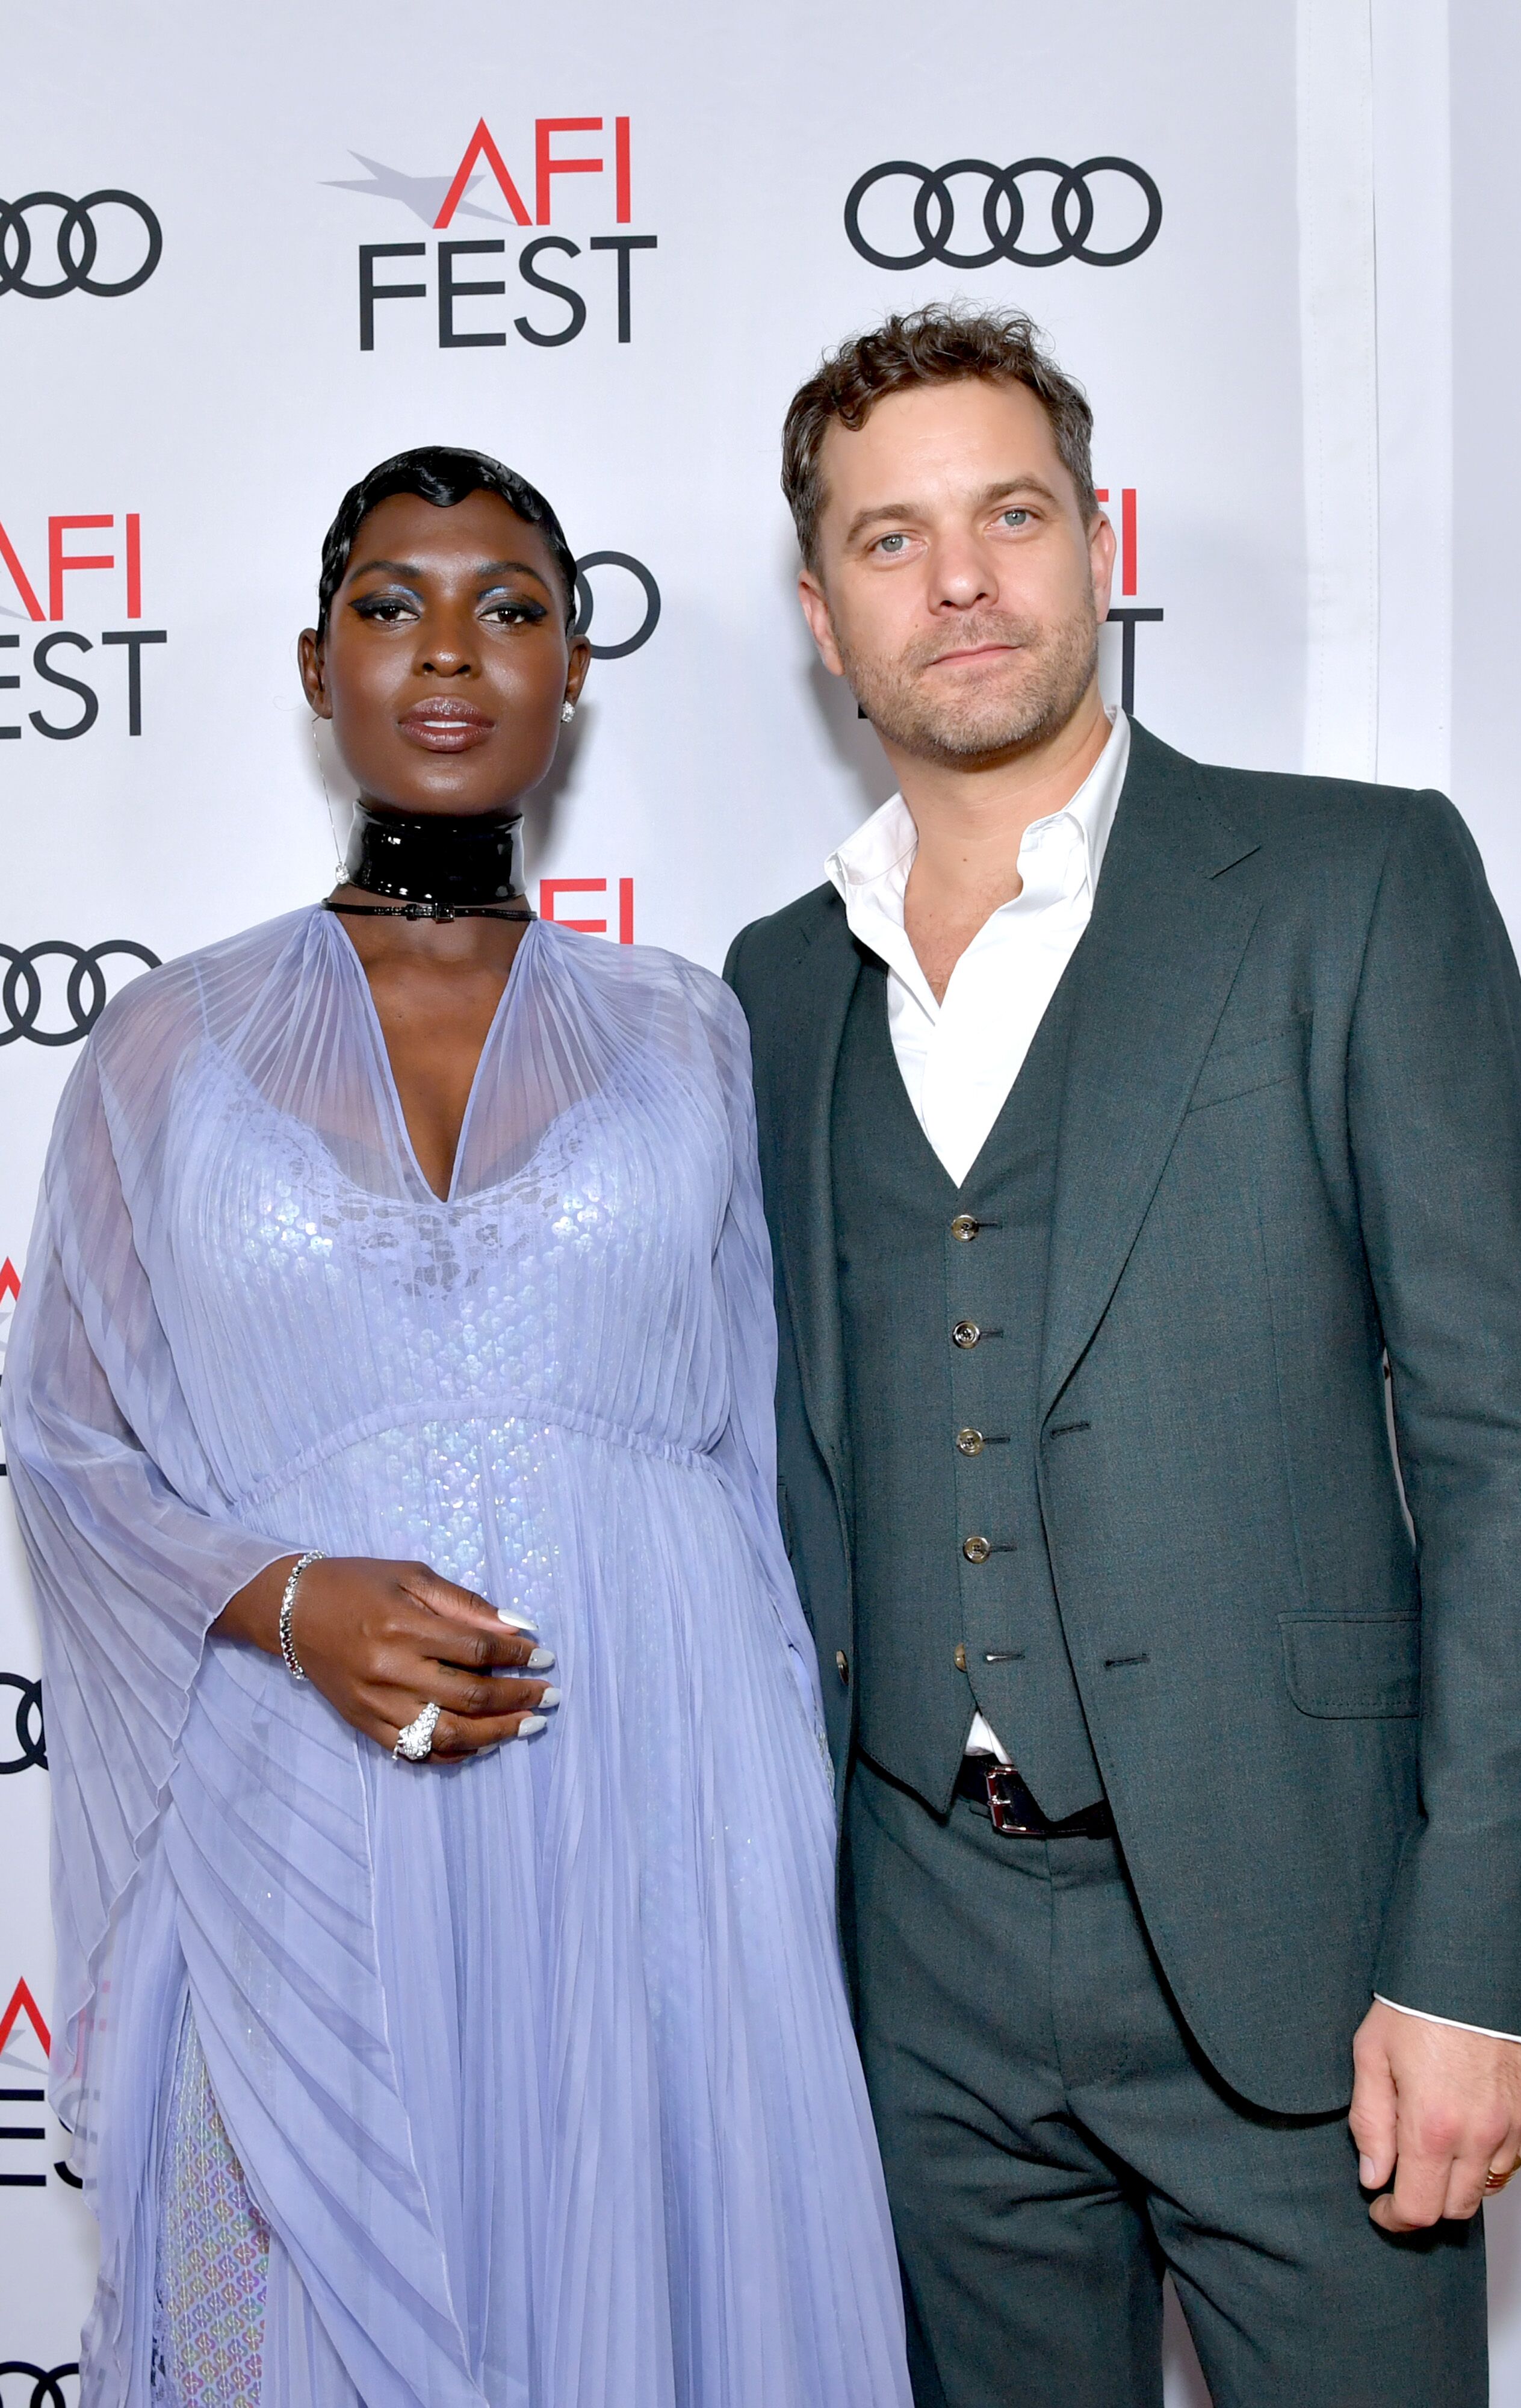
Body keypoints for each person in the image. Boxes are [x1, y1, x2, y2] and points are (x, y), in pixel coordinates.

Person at [723, 306, 1521, 2407]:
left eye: (1008, 512)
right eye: (889, 537)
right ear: (820, 608)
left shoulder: (1351, 882)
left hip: (1306, 1946)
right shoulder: (760, 991)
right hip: (909, 1969)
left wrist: (1478, 1959)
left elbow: (1510, 1438)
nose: (958, 579)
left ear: (1091, 539)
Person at [3, 446, 912, 2408]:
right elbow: (68, 1451)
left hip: (656, 1811)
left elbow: (770, 1445)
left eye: (509, 605)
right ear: (313, 661)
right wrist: (279, 1590)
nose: (447, 651)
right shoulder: (163, 1044)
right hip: (291, 1811)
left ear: (574, 670)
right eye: (389, 601)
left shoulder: (696, 1032)